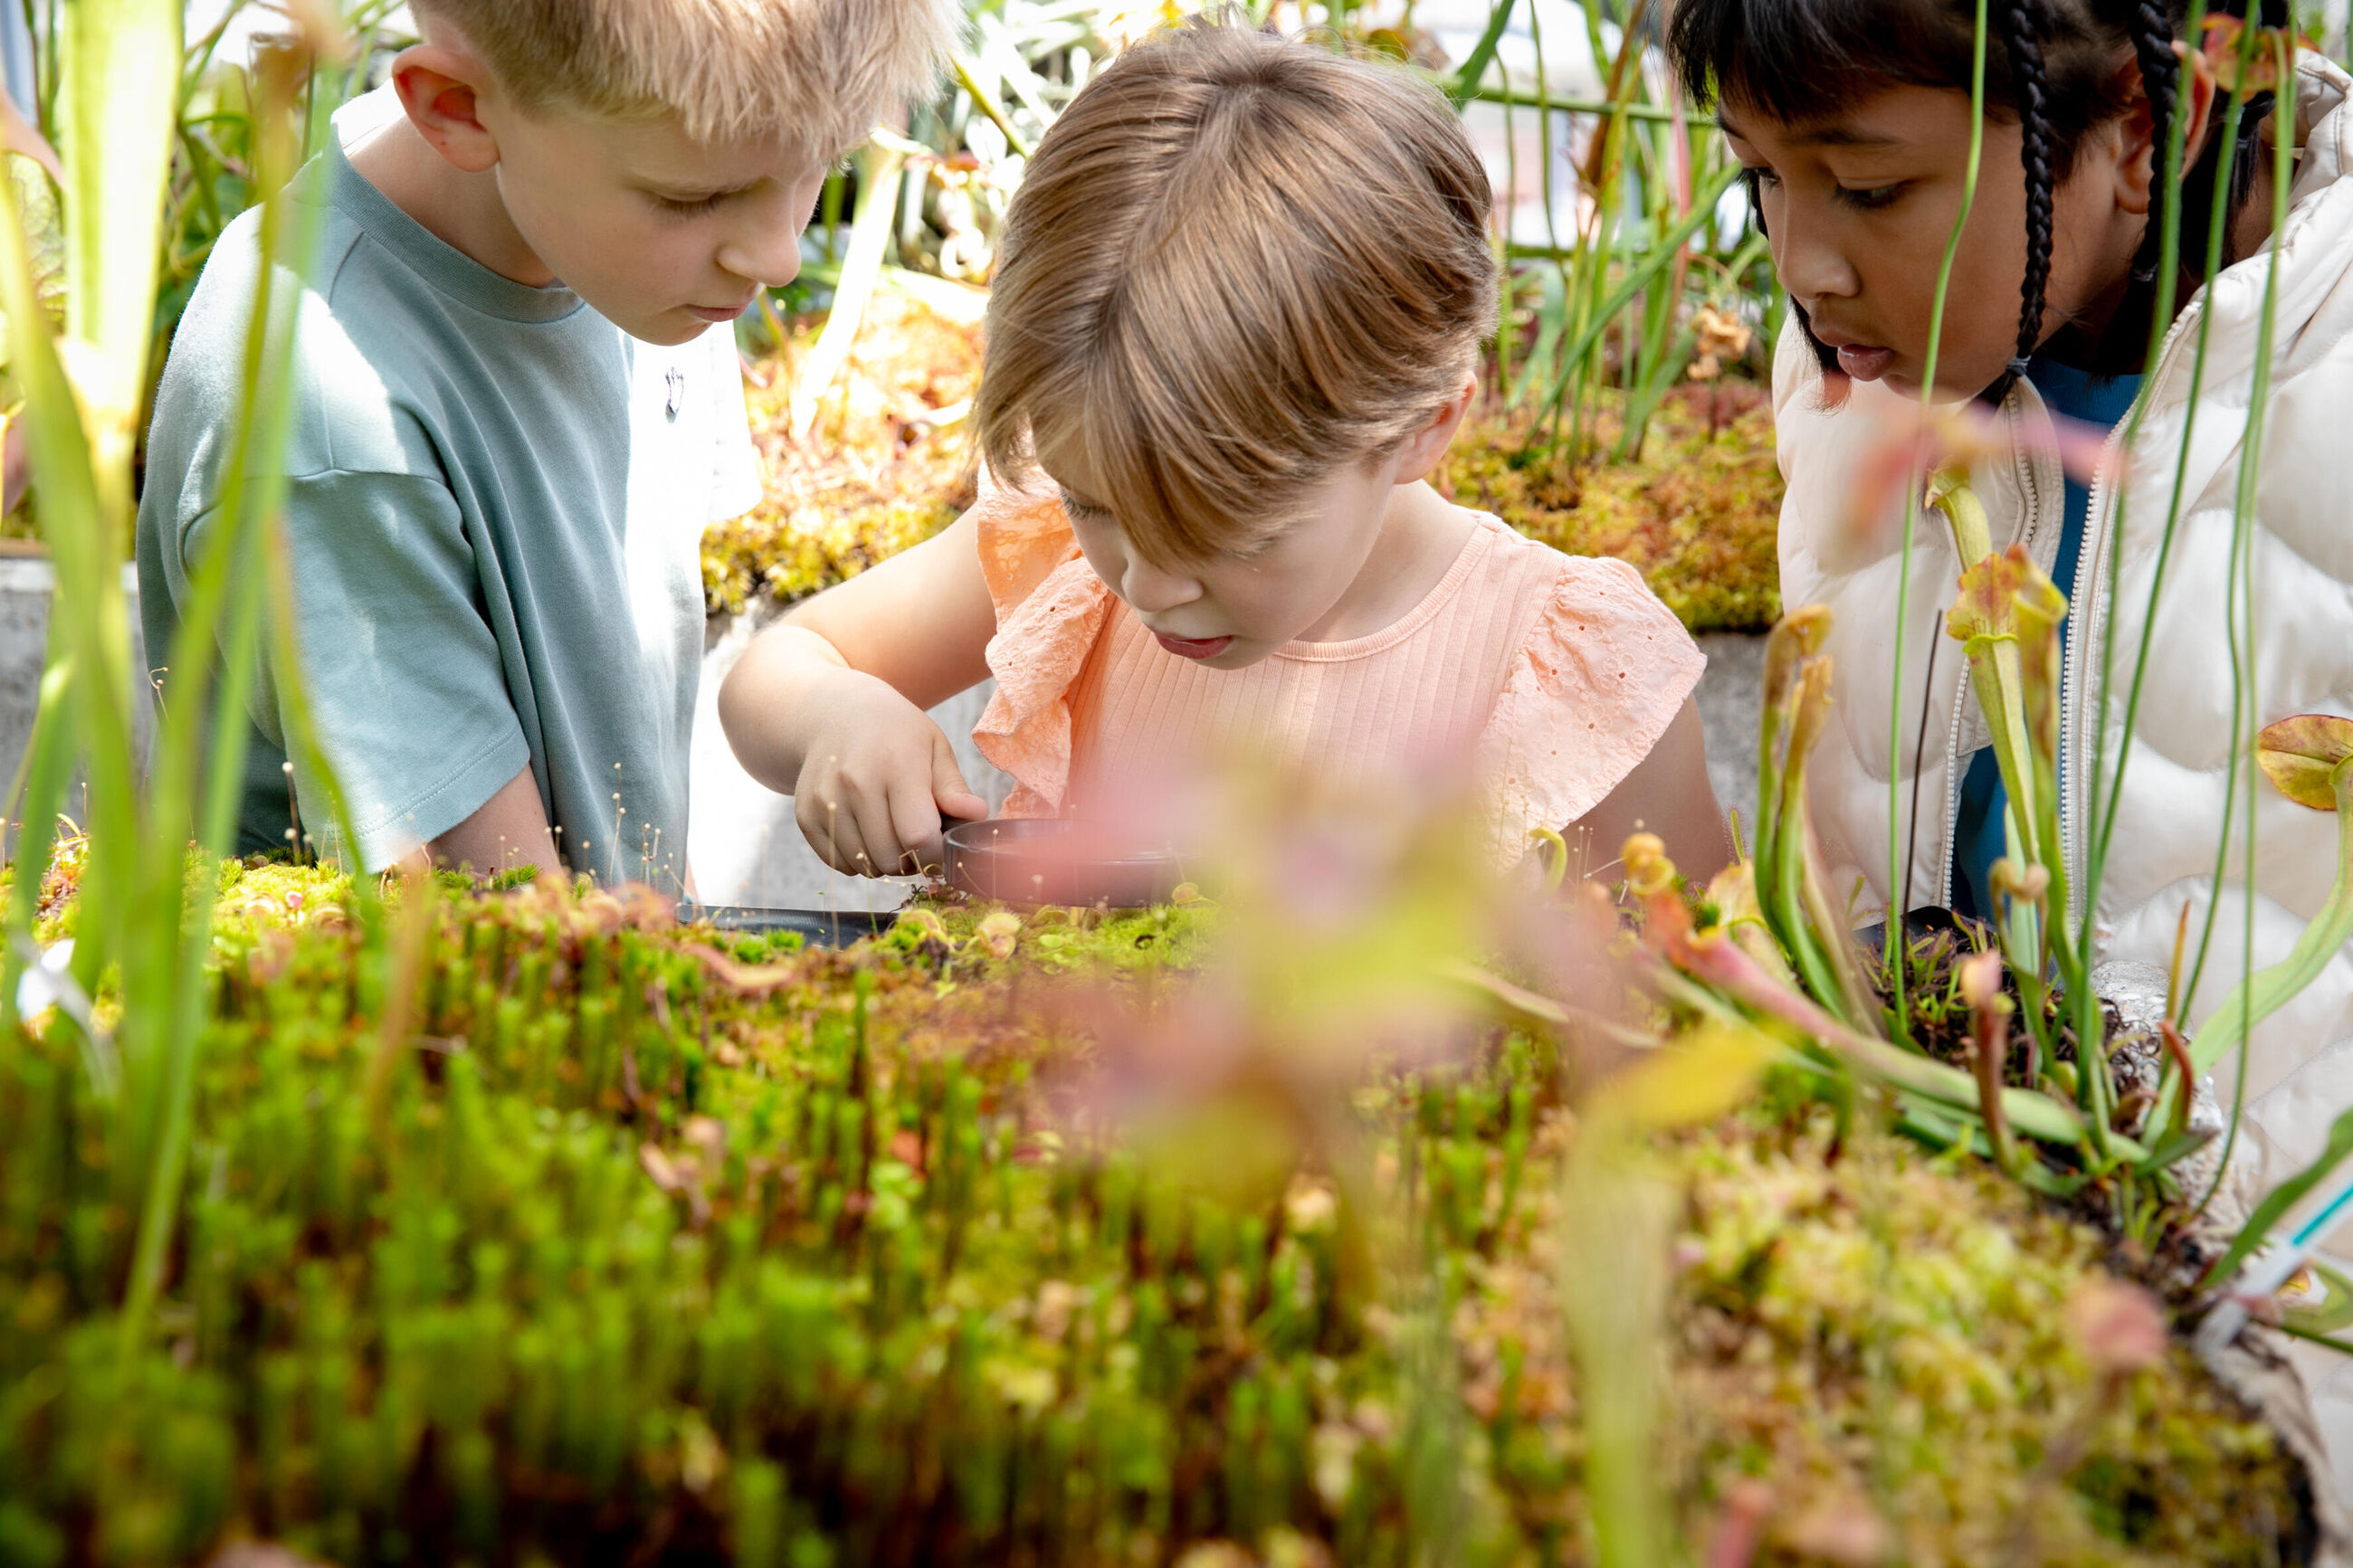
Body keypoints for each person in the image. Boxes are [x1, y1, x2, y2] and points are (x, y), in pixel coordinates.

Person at [1669, 0, 2353, 1478]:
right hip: (1947, 1325)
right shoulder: (1863, 365)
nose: (1803, 264)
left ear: (2141, 130)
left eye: (1867, 186)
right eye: (1759, 177)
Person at [719, 19, 1729, 888]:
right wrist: (840, 715)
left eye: (1227, 531)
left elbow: (1716, 1015)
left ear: (1422, 425)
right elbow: (775, 671)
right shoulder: (1058, 560)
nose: (1148, 584)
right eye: (1094, 503)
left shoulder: (1559, 671)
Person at [138, 0, 955, 894]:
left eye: (819, 168)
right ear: (456, 108)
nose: (776, 257)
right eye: (692, 197)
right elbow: (492, 916)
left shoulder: (638, 231)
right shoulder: (327, 415)